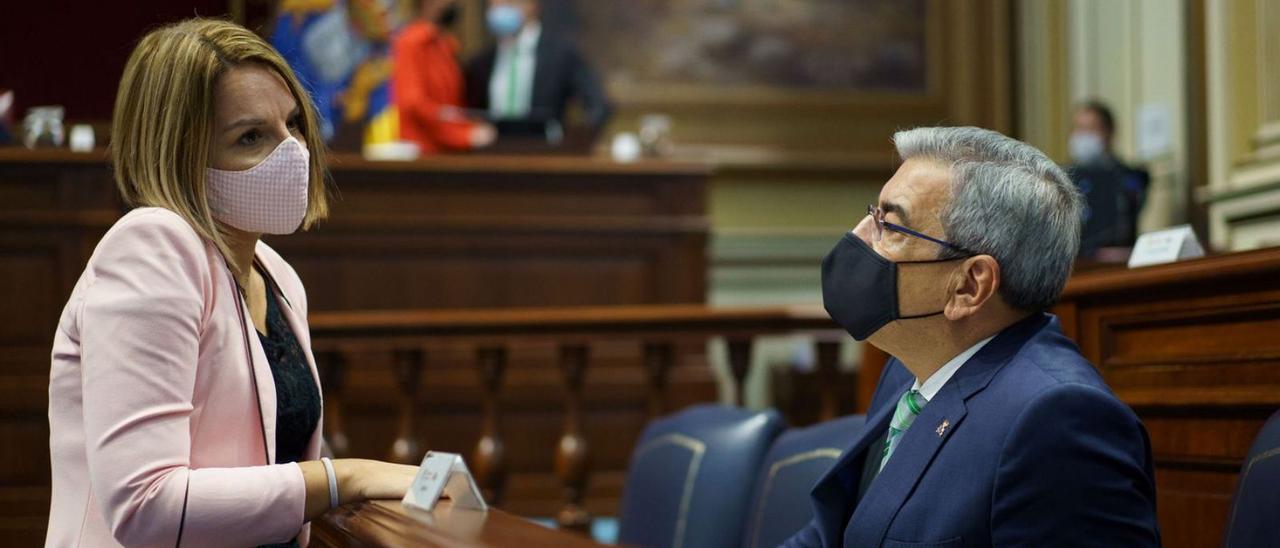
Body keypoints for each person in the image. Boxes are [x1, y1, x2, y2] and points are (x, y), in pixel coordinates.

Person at [46, 19, 419, 547]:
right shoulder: (151, 247)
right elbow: (146, 506)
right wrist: (345, 478)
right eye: (251, 137)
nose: (293, 151)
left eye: (292, 124)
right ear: (179, 152)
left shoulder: (277, 273)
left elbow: (262, 459)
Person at [785, 127, 1160, 546]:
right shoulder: (909, 371)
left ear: (969, 286)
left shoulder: (1059, 420)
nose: (858, 237)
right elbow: (830, 535)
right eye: (874, 215)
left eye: (890, 226)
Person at [464, 0, 612, 133]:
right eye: (495, 2)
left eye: (509, 1)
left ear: (532, 4)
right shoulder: (481, 62)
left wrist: (574, 141)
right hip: (492, 156)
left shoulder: (562, 55)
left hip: (545, 155)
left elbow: (598, 106)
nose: (501, 6)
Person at [393, 0, 496, 153]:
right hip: (423, 155)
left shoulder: (444, 45)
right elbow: (414, 104)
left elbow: (451, 107)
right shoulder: (411, 43)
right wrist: (464, 135)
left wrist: (470, 126)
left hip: (448, 153)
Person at [1068, 100, 1150, 256]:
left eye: (1090, 129)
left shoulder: (1129, 177)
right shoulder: (1063, 177)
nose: (1083, 137)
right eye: (1079, 129)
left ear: (1108, 132)